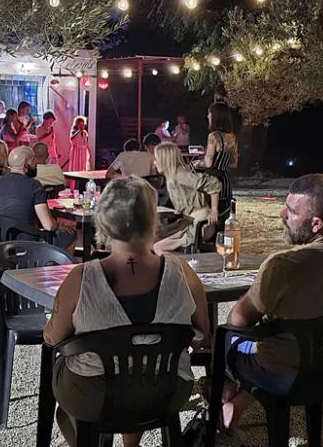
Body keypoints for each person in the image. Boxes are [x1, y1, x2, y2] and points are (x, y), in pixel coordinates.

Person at [43, 176, 211, 447]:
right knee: (138, 381)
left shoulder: (81, 277)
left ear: (104, 221)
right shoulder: (183, 273)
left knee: (65, 404)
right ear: (153, 222)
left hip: (93, 395)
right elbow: (203, 335)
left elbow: (53, 338)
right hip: (165, 391)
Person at [217, 174, 323, 431]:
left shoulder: (282, 266)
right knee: (279, 345)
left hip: (280, 374)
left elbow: (239, 320)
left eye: (292, 212)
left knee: (222, 339)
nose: (282, 214)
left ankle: (223, 395)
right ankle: (235, 406)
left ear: (316, 224)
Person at [152, 142, 221, 253]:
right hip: (190, 221)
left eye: (156, 159)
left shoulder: (180, 175)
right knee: (155, 237)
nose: (154, 163)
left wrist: (214, 210)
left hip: (200, 225)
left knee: (158, 247)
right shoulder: (172, 176)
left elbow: (213, 183)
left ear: (164, 160)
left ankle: (180, 263)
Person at [202, 102, 239, 223]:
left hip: (213, 179)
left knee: (211, 214)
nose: (207, 116)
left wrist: (199, 163)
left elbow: (209, 163)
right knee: (225, 212)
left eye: (209, 113)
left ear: (215, 116)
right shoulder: (232, 137)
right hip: (226, 180)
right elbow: (234, 163)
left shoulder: (213, 136)